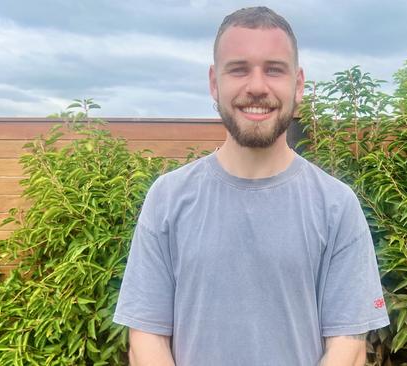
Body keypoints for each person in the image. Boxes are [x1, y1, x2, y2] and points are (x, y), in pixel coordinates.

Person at [113, 6, 389, 365]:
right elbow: (146, 341)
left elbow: (348, 350)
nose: (257, 87)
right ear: (215, 83)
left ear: (298, 84)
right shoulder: (167, 199)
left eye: (274, 70)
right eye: (239, 69)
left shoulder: (336, 205)